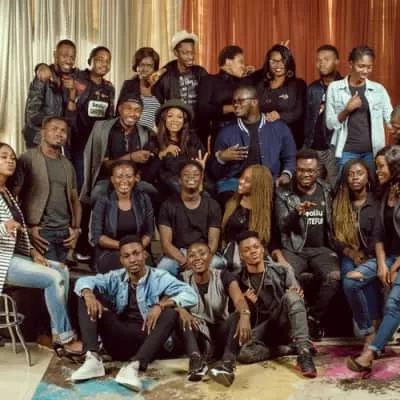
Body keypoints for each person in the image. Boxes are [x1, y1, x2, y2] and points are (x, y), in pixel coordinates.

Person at [71, 235, 197, 391]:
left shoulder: (160, 277)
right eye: (127, 256)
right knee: (85, 294)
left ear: (145, 254)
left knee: (170, 313)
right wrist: (88, 294)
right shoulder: (116, 277)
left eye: (136, 253)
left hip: (147, 340)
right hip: (119, 339)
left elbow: (190, 294)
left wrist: (161, 305)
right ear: (121, 260)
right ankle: (92, 359)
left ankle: (133, 367)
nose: (132, 260)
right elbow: (84, 281)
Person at [0, 142, 82, 354]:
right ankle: (65, 337)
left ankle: (56, 332)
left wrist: (34, 253)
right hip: (3, 262)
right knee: (53, 278)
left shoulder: (7, 193)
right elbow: (7, 227)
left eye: (12, 157)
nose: (10, 161)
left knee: (62, 269)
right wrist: (3, 227)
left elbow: (19, 232)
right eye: (4, 157)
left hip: (16, 257)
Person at [275, 149, 341, 339]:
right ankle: (297, 323)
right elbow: (282, 225)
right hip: (294, 249)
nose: (306, 174)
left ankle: (312, 319)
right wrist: (297, 213)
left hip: (321, 249)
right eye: (302, 170)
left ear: (318, 170)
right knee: (288, 279)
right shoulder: (284, 193)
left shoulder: (326, 190)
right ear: (296, 170)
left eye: (310, 170)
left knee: (334, 277)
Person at [346, 145, 400, 373]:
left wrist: (395, 267)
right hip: (389, 256)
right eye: (376, 167)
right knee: (351, 280)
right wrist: (380, 264)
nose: (376, 172)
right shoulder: (384, 193)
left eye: (380, 167)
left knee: (395, 303)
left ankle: (371, 353)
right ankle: (370, 331)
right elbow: (378, 234)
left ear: (395, 167)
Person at [235, 231, 317, 378]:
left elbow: (298, 302)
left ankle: (304, 352)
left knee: (292, 295)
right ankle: (288, 349)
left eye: (256, 247)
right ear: (241, 255)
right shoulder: (238, 280)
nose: (253, 251)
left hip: (283, 324)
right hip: (262, 331)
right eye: (246, 250)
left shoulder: (282, 271)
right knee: (244, 354)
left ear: (262, 249)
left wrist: (295, 293)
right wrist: (248, 304)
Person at [178, 241, 251, 386]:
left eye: (202, 254)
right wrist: (180, 310)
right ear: (188, 260)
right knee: (182, 315)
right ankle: (196, 361)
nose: (197, 258)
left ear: (211, 257)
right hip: (198, 335)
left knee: (237, 315)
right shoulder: (182, 279)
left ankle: (227, 364)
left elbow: (238, 299)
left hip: (220, 334)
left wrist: (245, 314)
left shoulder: (223, 275)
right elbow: (168, 300)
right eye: (192, 255)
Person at [212, 86, 296, 206]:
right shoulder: (226, 132)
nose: (235, 105)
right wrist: (222, 158)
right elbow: (214, 172)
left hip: (268, 182)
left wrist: (286, 174)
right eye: (234, 101)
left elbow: (290, 158)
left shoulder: (279, 127)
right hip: (234, 183)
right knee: (233, 207)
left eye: (240, 101)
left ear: (254, 102)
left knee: (277, 206)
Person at [14, 116, 81, 264]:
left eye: (63, 131)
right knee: (50, 274)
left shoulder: (67, 164)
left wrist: (76, 230)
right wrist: (27, 230)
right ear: (43, 132)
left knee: (62, 274)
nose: (59, 134)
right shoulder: (27, 158)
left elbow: (75, 201)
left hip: (65, 234)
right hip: (41, 232)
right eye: (54, 129)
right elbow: (13, 198)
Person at [333, 158, 381, 347]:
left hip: (374, 254)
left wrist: (367, 255)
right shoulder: (340, 203)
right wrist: (351, 253)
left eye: (359, 173)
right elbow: (333, 237)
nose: (355, 177)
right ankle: (367, 328)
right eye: (351, 174)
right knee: (349, 279)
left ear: (367, 176)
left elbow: (380, 233)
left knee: (365, 279)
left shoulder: (376, 202)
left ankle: (373, 328)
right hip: (349, 253)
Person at [326, 46, 392, 177]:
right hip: (346, 151)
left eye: (369, 67)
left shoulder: (379, 89)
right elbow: (330, 124)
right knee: (346, 186)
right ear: (351, 63)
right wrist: (347, 110)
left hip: (373, 152)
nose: (365, 71)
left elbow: (390, 119)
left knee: (372, 186)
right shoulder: (335, 88)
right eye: (361, 66)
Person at [80, 94, 158, 206]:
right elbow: (103, 165)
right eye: (128, 108)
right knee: (97, 194)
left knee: (153, 193)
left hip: (133, 180)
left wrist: (138, 173)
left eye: (137, 110)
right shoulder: (103, 130)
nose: (132, 113)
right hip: (108, 179)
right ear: (120, 109)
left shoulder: (145, 133)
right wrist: (131, 157)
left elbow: (148, 162)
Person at [158, 160, 225, 277]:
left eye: (196, 174)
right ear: (179, 179)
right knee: (163, 268)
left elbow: (213, 243)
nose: (191, 177)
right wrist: (185, 261)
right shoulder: (167, 206)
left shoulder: (212, 205)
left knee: (216, 263)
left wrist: (200, 259)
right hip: (179, 252)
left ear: (201, 179)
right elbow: (166, 244)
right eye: (186, 174)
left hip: (204, 252)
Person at [222, 165, 288, 273]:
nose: (241, 181)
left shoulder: (268, 211)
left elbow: (273, 241)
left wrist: (280, 257)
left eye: (247, 181)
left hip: (257, 255)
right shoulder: (228, 201)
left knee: (285, 270)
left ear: (258, 186)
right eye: (241, 177)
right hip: (232, 255)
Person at [91, 160, 153, 272]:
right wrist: (125, 247)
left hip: (137, 251)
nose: (124, 181)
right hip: (110, 252)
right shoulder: (103, 201)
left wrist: (137, 249)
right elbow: (98, 237)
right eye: (119, 177)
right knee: (125, 264)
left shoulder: (143, 199)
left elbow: (149, 233)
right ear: (112, 179)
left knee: (144, 265)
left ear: (136, 178)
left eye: (129, 176)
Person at [69, 46, 115, 190]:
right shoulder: (77, 78)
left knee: (96, 180)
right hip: (78, 139)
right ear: (90, 61)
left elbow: (110, 116)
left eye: (107, 61)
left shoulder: (109, 88)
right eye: (100, 59)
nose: (104, 64)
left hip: (98, 140)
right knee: (80, 180)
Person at [22, 39, 77, 148]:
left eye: (72, 57)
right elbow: (32, 116)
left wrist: (72, 93)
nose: (69, 61)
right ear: (55, 55)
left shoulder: (72, 80)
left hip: (59, 142)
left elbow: (71, 121)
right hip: (39, 140)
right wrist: (58, 125)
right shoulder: (43, 77)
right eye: (64, 56)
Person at [198, 45, 255, 145]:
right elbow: (203, 109)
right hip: (220, 135)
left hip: (244, 134)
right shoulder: (209, 80)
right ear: (228, 62)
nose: (243, 66)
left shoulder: (244, 81)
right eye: (240, 62)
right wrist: (232, 108)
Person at [304, 45, 342, 185]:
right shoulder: (313, 88)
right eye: (319, 60)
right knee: (313, 187)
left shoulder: (344, 87)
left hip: (333, 148)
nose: (321, 63)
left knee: (335, 186)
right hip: (313, 147)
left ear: (336, 62)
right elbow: (308, 118)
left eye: (326, 59)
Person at [256, 44, 307, 149]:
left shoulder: (298, 84)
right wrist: (263, 117)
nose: (278, 65)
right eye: (273, 61)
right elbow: (255, 110)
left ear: (288, 62)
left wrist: (279, 116)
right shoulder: (261, 85)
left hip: (290, 139)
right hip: (264, 138)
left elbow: (299, 112)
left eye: (282, 61)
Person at [155, 99, 207, 196]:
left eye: (179, 117)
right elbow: (148, 176)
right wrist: (162, 154)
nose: (175, 120)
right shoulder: (154, 141)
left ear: (184, 121)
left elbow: (202, 165)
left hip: (195, 185)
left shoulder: (193, 140)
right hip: (168, 191)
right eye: (170, 116)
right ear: (164, 119)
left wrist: (200, 167)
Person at [151, 30, 207, 120]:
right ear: (176, 53)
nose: (190, 57)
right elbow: (158, 104)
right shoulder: (165, 75)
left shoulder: (201, 72)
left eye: (192, 52)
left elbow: (208, 102)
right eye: (185, 53)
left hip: (198, 125)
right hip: (175, 124)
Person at [117, 47, 161, 131]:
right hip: (131, 133)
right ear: (136, 66)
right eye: (142, 65)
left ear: (155, 68)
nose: (145, 69)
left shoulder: (160, 87)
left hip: (153, 135)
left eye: (149, 66)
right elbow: (119, 112)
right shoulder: (129, 85)